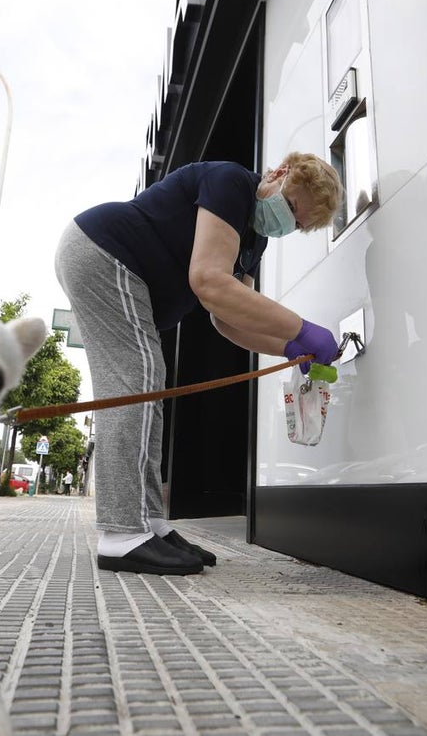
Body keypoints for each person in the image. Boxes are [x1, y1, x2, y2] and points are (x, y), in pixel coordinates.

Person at [55, 152, 344, 575]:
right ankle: (121, 535)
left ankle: (148, 524)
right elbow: (209, 281)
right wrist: (303, 327)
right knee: (136, 381)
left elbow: (227, 319)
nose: (288, 223)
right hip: (103, 252)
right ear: (280, 174)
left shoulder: (254, 239)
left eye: (297, 225)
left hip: (114, 264)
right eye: (291, 207)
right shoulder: (231, 183)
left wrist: (289, 347)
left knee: (147, 389)